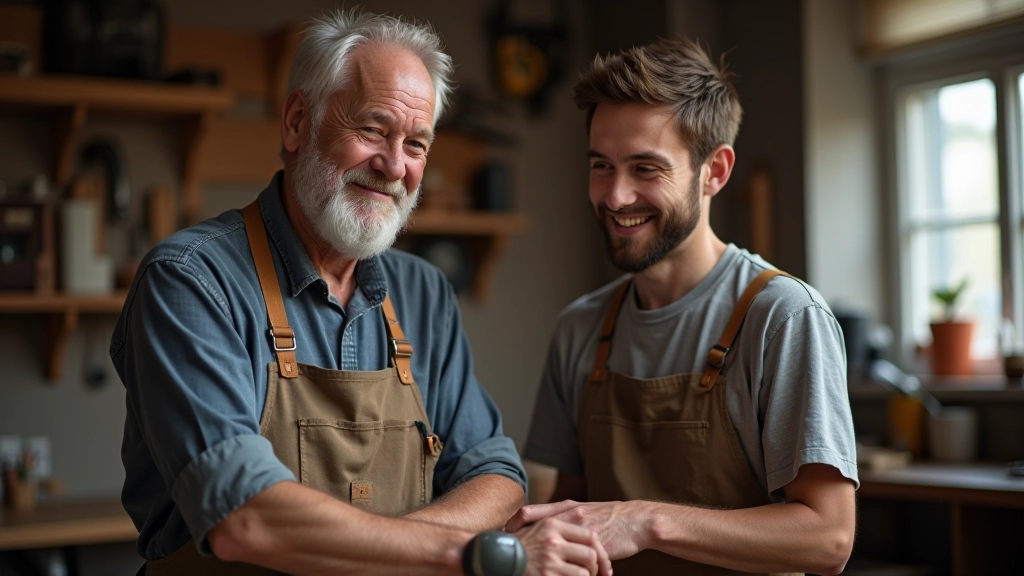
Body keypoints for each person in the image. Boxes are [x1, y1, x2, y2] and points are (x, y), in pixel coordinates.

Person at [112, 10, 610, 576]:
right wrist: (470, 553)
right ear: (297, 121)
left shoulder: (424, 292)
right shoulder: (192, 281)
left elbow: (496, 476)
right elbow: (245, 517)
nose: (394, 166)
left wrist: (373, 547)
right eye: (372, 130)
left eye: (416, 144)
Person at [507, 39, 858, 576]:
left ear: (714, 171)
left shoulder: (783, 317)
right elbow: (576, 518)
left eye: (646, 169)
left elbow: (828, 538)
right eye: (602, 166)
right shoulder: (579, 327)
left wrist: (645, 520)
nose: (617, 196)